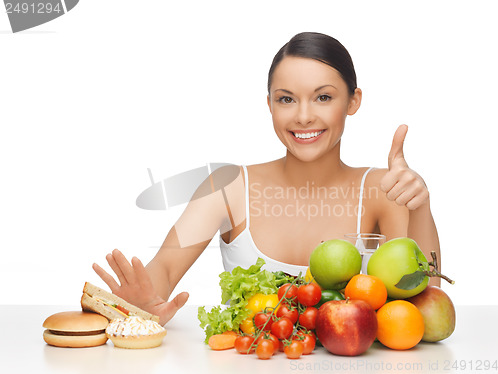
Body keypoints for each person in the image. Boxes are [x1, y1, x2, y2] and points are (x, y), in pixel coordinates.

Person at [93, 32, 440, 326]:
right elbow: (164, 273)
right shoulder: (227, 187)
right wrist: (134, 304)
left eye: (323, 97)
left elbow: (427, 302)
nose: (304, 116)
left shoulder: (383, 190)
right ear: (270, 105)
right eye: (286, 99)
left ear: (352, 101)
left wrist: (420, 206)